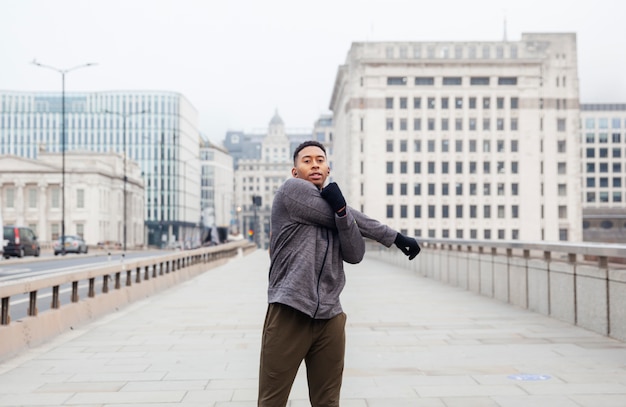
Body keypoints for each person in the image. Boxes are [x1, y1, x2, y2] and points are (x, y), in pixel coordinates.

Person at [258, 140, 421, 406]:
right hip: (290, 310)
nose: (314, 165)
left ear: (328, 168)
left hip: (330, 317)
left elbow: (355, 254)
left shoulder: (334, 210)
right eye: (307, 160)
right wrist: (393, 236)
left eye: (320, 160)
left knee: (328, 402)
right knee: (272, 401)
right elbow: (337, 213)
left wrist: (342, 212)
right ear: (295, 171)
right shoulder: (292, 191)